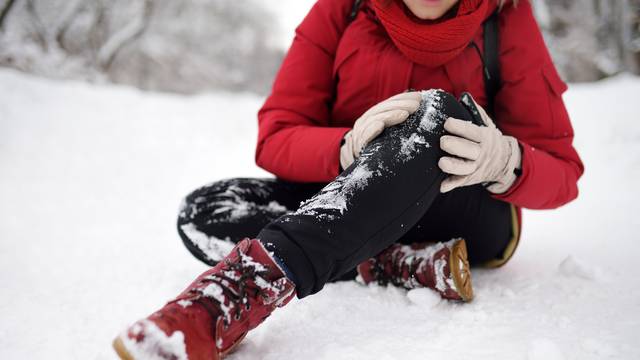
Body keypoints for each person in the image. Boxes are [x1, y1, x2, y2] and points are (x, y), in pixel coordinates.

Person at [113, 0, 584, 358]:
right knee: (205, 211)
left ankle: (233, 296)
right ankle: (386, 262)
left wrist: (506, 161)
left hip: (463, 210)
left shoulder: (508, 17)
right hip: (349, 194)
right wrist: (347, 148)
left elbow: (563, 171)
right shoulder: (343, 8)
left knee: (433, 113)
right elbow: (275, 136)